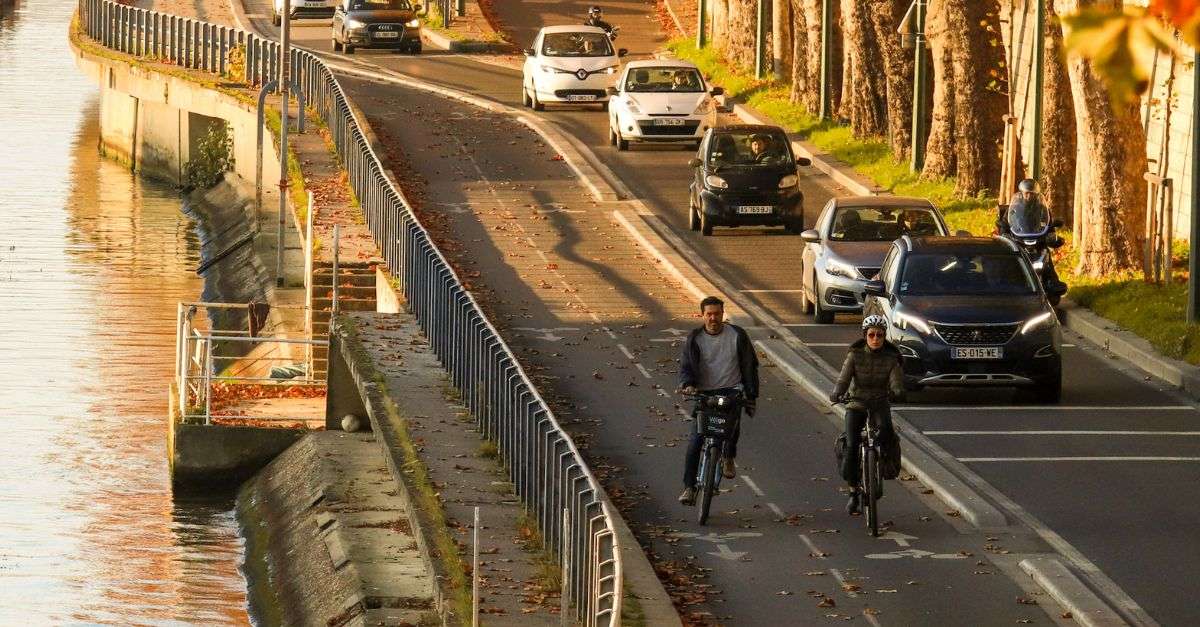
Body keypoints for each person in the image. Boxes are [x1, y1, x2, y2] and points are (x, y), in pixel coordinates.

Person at [677, 296, 759, 505]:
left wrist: (751, 395)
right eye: (709, 314)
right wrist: (687, 384)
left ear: (723, 314)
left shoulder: (738, 335)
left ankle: (728, 456)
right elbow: (686, 365)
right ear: (702, 315)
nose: (713, 318)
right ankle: (689, 487)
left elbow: (750, 366)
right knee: (695, 440)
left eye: (717, 314)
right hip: (704, 393)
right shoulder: (695, 338)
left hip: (731, 391)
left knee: (732, 427)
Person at [829, 315, 903, 515]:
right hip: (857, 403)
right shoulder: (854, 355)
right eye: (871, 335)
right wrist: (837, 393)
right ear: (865, 336)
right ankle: (853, 492)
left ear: (884, 336)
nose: (876, 339)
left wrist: (897, 391)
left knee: (887, 433)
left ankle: (881, 468)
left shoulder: (891, 357)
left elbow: (896, 381)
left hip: (879, 402)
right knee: (852, 444)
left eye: (880, 335)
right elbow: (844, 379)